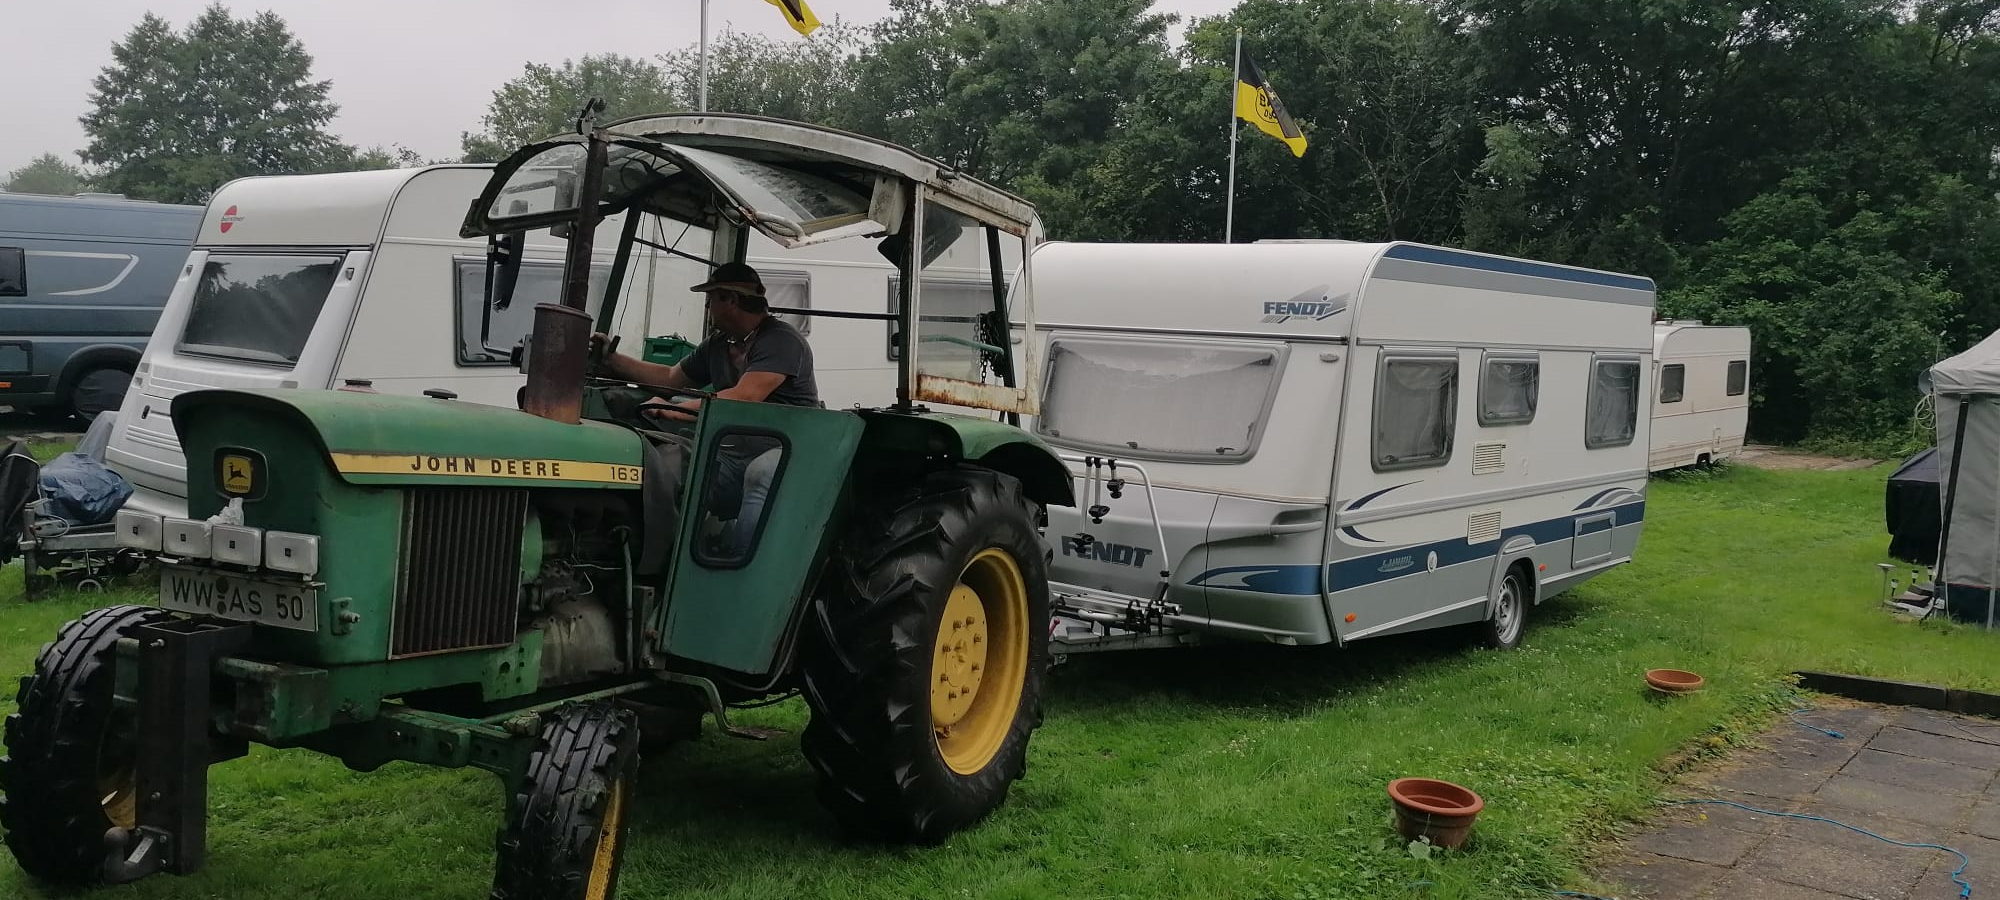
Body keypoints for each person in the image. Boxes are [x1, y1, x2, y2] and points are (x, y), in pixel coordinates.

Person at [592, 261, 818, 552]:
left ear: (730, 300)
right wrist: (613, 360)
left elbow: (744, 397)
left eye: (711, 299)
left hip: (789, 448)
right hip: (735, 449)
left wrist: (676, 409)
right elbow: (670, 379)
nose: (707, 306)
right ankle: (665, 557)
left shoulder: (782, 341)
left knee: (760, 474)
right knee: (675, 468)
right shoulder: (720, 343)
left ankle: (737, 567)